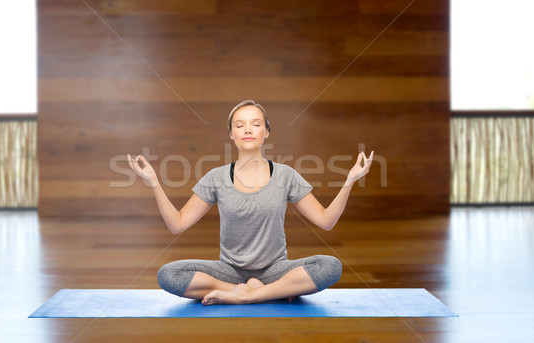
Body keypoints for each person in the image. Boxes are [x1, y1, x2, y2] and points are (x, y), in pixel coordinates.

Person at [127, 100, 374, 305]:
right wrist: (154, 183)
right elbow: (177, 224)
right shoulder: (215, 177)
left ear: (266, 132)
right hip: (229, 272)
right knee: (168, 274)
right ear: (231, 135)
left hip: (275, 270)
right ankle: (258, 291)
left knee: (329, 266)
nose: (247, 130)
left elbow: (326, 221)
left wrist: (350, 179)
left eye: (256, 124)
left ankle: (247, 296)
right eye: (240, 125)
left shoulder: (286, 175)